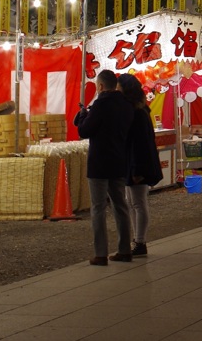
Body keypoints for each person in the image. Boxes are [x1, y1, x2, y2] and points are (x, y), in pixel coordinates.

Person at [74, 69, 135, 266]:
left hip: (99, 163)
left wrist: (83, 116)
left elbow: (84, 131)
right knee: (121, 206)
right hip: (119, 161)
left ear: (100, 86)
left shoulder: (100, 105)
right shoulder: (127, 105)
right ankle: (125, 249)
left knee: (98, 208)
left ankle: (101, 253)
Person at [117, 74, 163, 257]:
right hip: (133, 161)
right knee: (133, 202)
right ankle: (137, 240)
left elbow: (140, 143)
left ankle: (140, 241)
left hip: (137, 163)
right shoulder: (139, 110)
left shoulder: (137, 113)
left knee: (138, 202)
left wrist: (137, 168)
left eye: (119, 87)